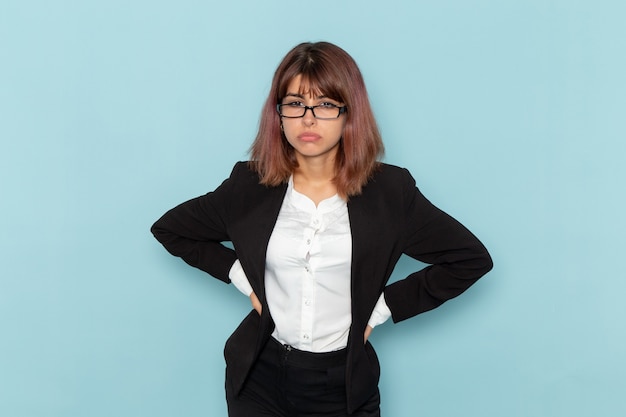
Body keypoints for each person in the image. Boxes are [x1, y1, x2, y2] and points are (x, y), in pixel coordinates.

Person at [151, 41, 493, 417]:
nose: (308, 119)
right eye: (295, 103)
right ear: (278, 114)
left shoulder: (391, 193)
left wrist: (380, 310)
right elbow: (171, 229)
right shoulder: (248, 185)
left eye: (326, 104)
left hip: (340, 384)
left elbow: (469, 259)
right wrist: (244, 278)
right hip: (258, 377)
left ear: (350, 113)